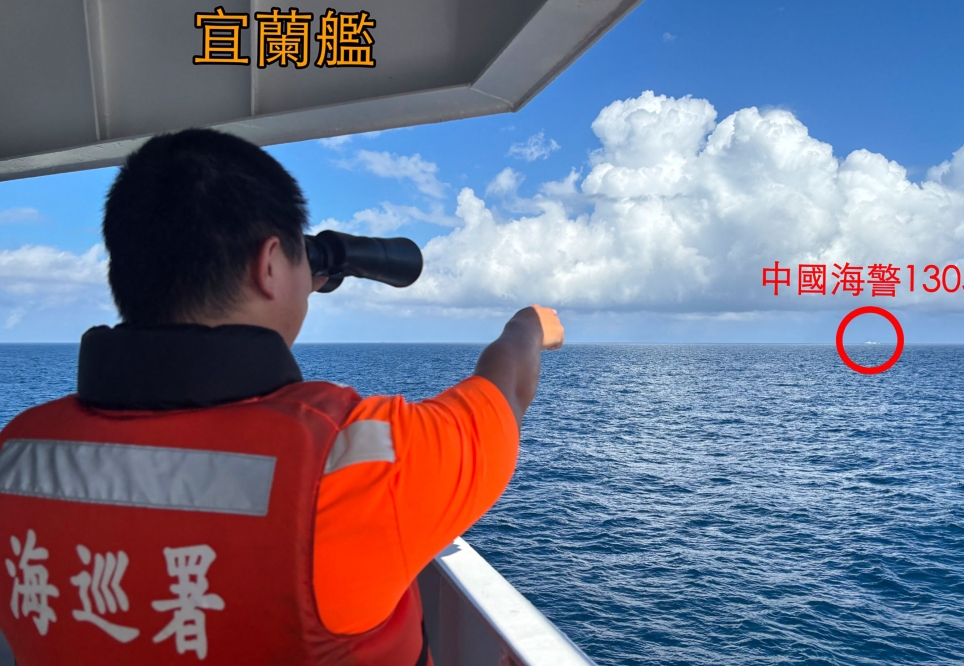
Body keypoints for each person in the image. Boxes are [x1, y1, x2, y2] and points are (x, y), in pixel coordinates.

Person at [0, 129, 564, 665]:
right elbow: (507, 385)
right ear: (269, 265)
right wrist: (529, 324)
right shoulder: (357, 468)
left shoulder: (18, 453)